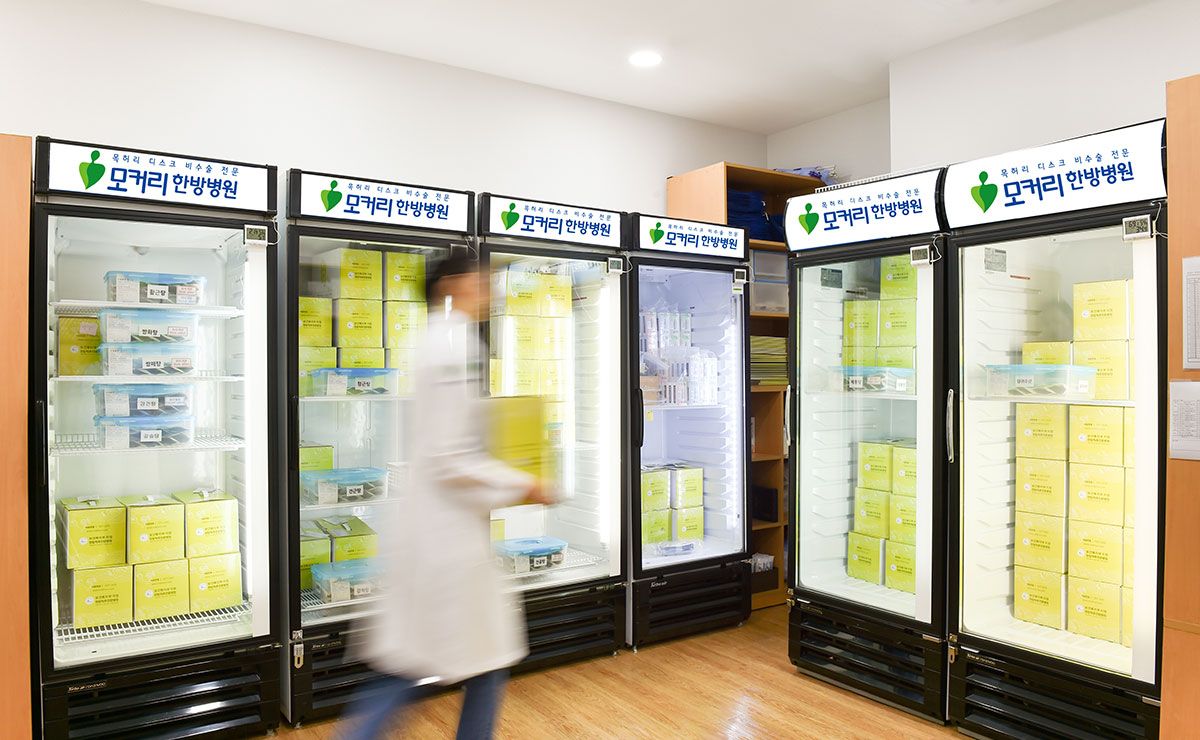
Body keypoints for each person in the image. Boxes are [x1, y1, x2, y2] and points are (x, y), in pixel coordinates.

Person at [343, 252, 552, 740]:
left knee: (446, 662)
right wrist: (524, 483)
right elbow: (450, 457)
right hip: (446, 539)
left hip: (440, 532)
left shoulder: (439, 338)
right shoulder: (455, 344)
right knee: (440, 664)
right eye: (483, 281)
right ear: (451, 286)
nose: (491, 292)